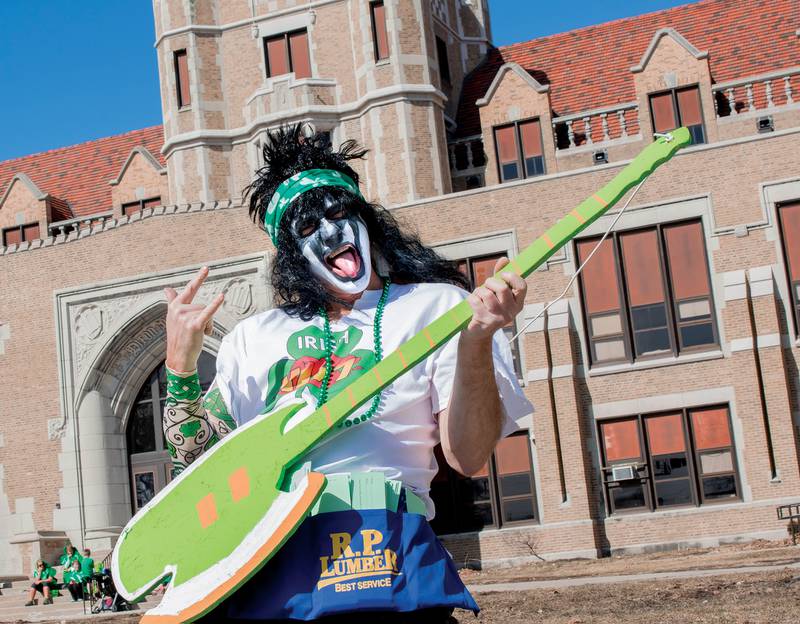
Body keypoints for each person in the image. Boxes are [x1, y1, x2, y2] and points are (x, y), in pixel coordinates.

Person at [162, 125, 533, 622]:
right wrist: (180, 367)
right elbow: (197, 464)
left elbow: (467, 456)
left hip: (392, 564)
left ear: (366, 220)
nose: (331, 231)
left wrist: (478, 338)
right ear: (292, 254)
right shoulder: (251, 338)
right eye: (309, 227)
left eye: (340, 213)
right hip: (277, 571)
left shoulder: (439, 308)